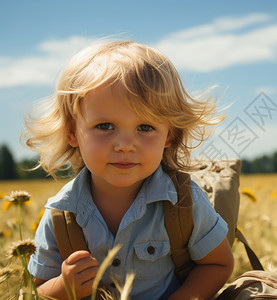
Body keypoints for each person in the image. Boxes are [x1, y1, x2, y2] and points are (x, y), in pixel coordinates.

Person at [23, 40, 234, 299]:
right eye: (105, 126)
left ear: (169, 136)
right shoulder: (61, 215)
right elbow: (37, 288)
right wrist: (63, 285)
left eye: (145, 128)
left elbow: (218, 264)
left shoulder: (184, 202)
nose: (124, 145)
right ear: (72, 132)